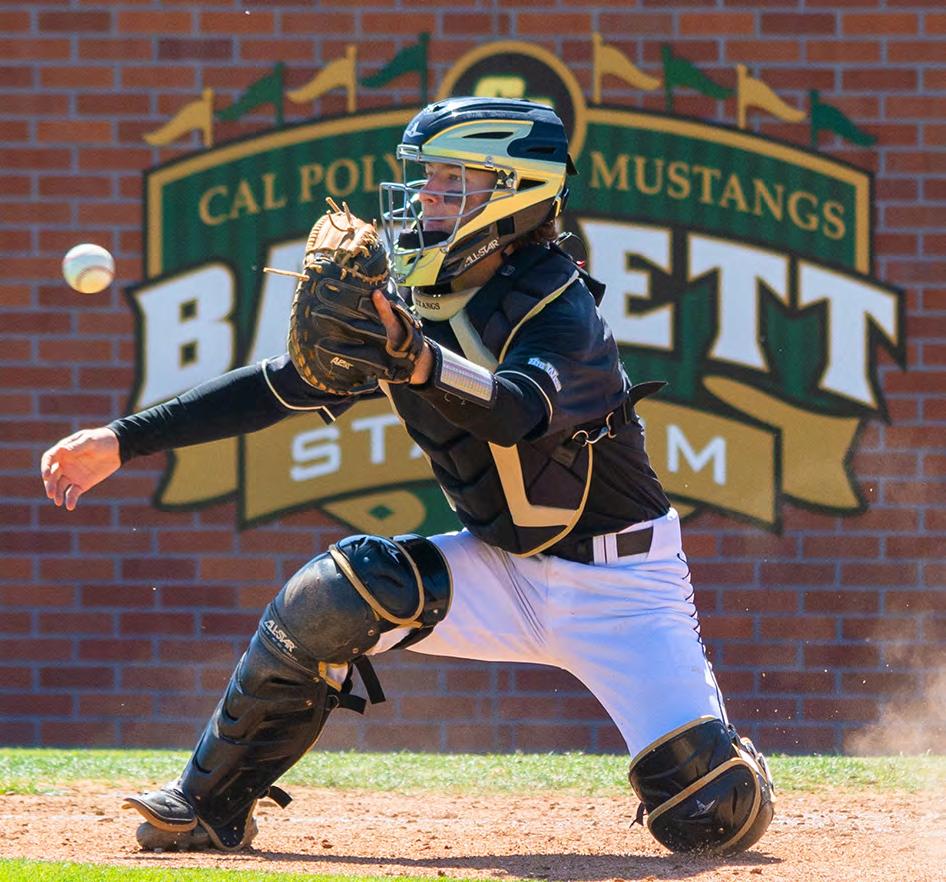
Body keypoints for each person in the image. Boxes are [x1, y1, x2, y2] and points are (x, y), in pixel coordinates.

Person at [40, 97, 774, 856]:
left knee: (708, 812)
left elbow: (518, 410)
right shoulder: (412, 299)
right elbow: (279, 387)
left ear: (516, 195)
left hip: (622, 586)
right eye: (428, 179)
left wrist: (417, 361)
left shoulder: (561, 310)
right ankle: (207, 805)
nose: (426, 197)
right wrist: (122, 441)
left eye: (453, 182)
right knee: (337, 592)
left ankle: (733, 759)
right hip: (503, 564)